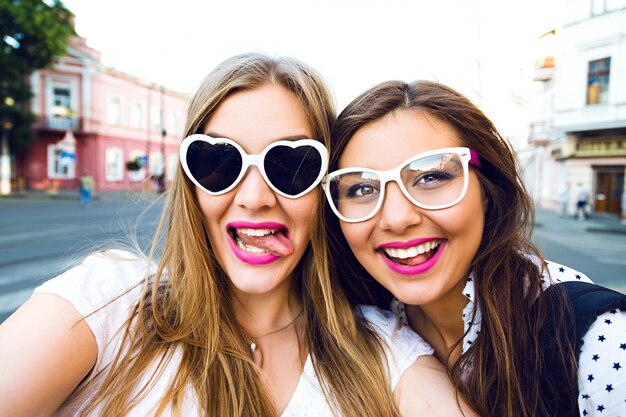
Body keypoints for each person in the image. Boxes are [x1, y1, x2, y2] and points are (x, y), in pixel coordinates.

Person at [0, 55, 472, 417]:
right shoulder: (106, 304)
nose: (253, 197)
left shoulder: (381, 349)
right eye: (220, 163)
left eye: (290, 164)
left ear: (324, 189)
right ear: (191, 183)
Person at [324, 80, 626, 417]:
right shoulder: (354, 324)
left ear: (486, 189)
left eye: (431, 177)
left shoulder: (596, 339)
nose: (396, 219)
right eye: (363, 187)